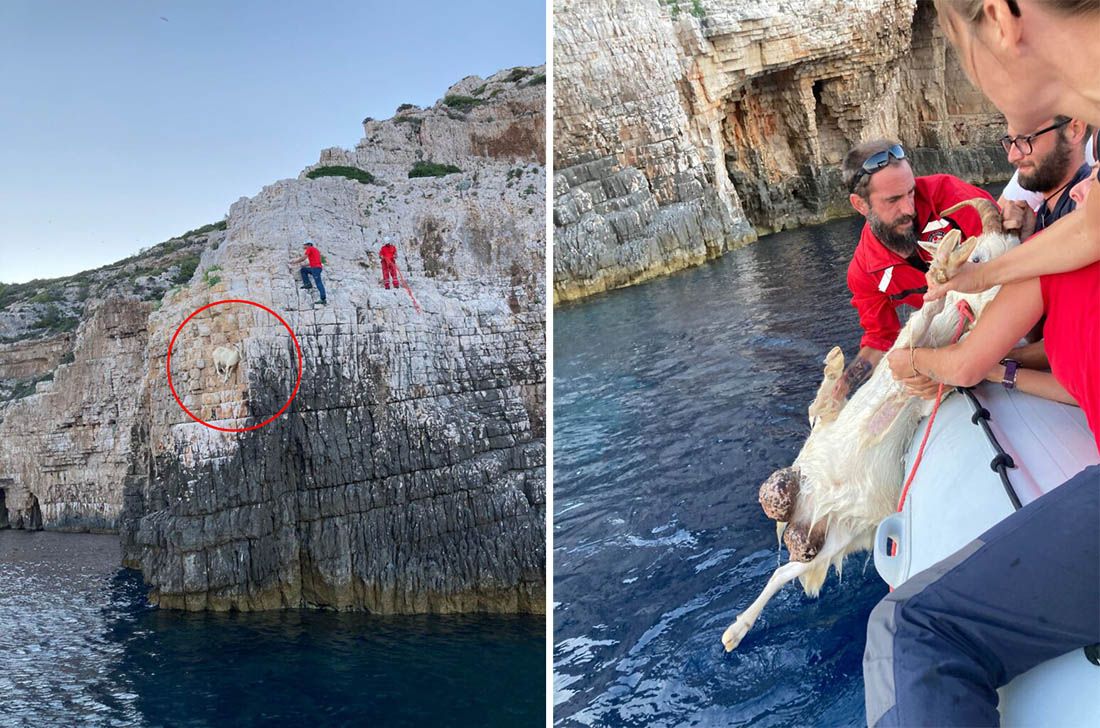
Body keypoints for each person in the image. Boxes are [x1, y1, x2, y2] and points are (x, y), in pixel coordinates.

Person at [863, 1, 1100, 726]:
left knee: (909, 631)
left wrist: (924, 358)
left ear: (999, 18)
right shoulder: (1072, 224)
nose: (1012, 148)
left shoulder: (1059, 233)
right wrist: (976, 282)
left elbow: (962, 363)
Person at [836, 139, 995, 399]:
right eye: (894, 200)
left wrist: (952, 364)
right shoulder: (865, 271)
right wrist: (844, 385)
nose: (909, 209)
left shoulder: (952, 197)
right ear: (860, 205)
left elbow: (1003, 256)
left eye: (911, 192)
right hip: (956, 337)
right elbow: (880, 338)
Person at [999, 115, 1093, 240]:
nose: (1012, 157)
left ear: (1075, 130)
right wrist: (1028, 236)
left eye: (1027, 139)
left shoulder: (1088, 201)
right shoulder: (1043, 214)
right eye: (1010, 142)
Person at [289, 240, 327, 304]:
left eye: (304, 245)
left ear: (308, 245)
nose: (304, 246)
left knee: (318, 283)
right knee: (303, 270)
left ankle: (323, 299)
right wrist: (305, 265)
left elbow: (303, 258)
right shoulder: (316, 250)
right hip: (316, 268)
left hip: (315, 269)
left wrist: (295, 262)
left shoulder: (310, 249)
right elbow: (315, 261)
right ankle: (307, 284)